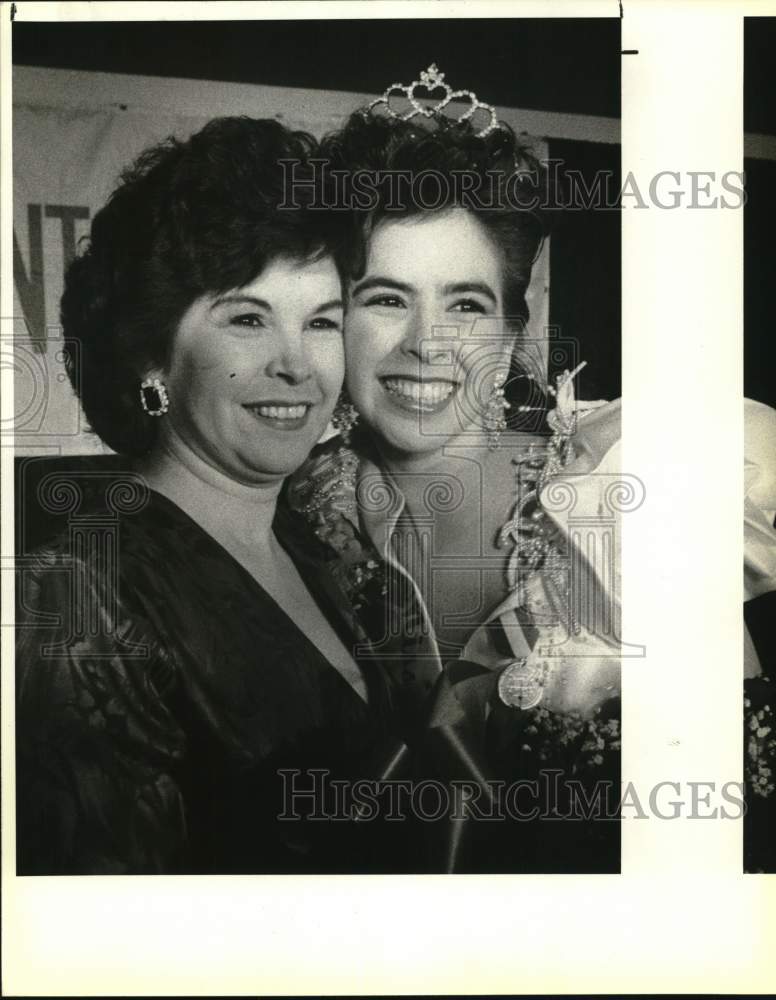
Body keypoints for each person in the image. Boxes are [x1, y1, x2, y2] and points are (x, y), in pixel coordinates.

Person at [15, 117, 420, 875]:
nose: (297, 365)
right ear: (153, 356)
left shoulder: (314, 536)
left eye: (322, 322)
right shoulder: (77, 603)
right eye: (247, 319)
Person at [288, 68, 625, 872]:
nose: (425, 345)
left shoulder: (612, 498)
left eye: (466, 305)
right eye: (385, 299)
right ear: (335, 318)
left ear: (514, 330)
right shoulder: (286, 507)